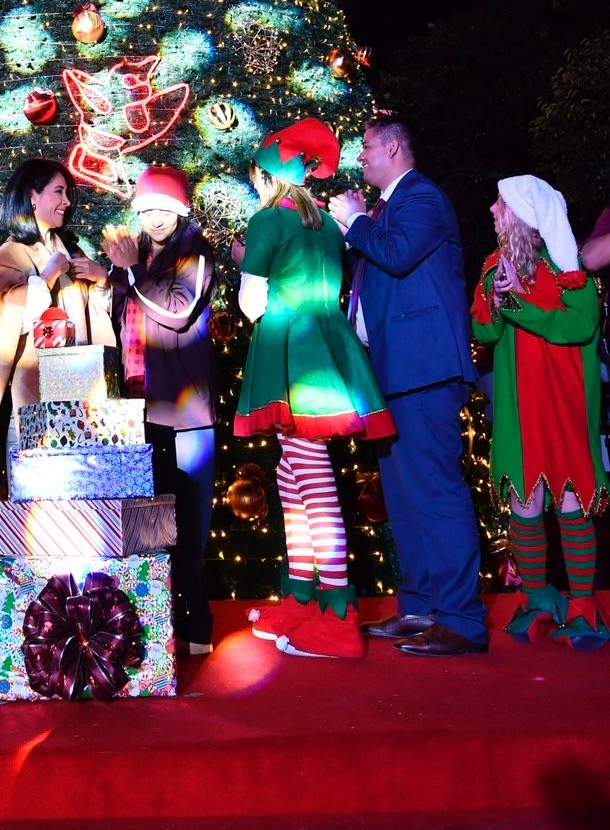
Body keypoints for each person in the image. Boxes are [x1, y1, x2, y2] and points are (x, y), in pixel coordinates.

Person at [328, 115, 487, 656]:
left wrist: (354, 220)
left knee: (436, 491)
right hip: (392, 375)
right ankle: (419, 606)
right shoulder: (385, 210)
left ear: (394, 146)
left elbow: (395, 255)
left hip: (424, 372)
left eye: (367, 146)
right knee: (402, 496)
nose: (361, 157)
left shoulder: (421, 198)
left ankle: (463, 620)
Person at [235, 120, 395, 659]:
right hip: (327, 349)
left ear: (269, 175)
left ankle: (337, 613)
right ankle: (302, 596)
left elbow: (252, 304)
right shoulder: (327, 224)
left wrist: (247, 270)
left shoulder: (266, 222)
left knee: (310, 472)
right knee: (290, 468)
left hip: (292, 354)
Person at [472, 176, 608, 647]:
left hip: (566, 402)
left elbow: (579, 325)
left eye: (499, 203)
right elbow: (486, 333)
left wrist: (518, 305)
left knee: (571, 501)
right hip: (517, 405)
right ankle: (536, 598)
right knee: (522, 502)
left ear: (524, 215)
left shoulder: (570, 269)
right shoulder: (495, 266)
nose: (491, 210)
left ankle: (583, 606)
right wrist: (497, 298)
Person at [0, 157, 115, 568]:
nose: (67, 202)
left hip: (78, 396)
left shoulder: (72, 250)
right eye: (58, 192)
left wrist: (101, 281)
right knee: (37, 502)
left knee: (78, 497)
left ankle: (78, 586)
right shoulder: (12, 253)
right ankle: (37, 591)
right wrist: (46, 275)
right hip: (32, 403)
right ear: (32, 197)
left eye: (68, 193)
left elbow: (93, 319)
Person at [102, 165, 217, 655]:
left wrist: (130, 271)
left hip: (185, 413)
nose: (153, 219)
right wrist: (107, 275)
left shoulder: (194, 250)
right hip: (138, 408)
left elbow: (177, 310)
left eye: (163, 210)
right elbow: (120, 315)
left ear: (180, 210)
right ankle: (157, 626)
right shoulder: (143, 254)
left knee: (189, 523)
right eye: (146, 209)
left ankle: (196, 627)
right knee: (149, 525)